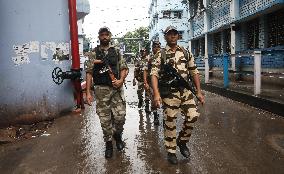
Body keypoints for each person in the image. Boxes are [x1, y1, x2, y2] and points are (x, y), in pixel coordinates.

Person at [151, 26, 205, 165]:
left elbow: (194, 72)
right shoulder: (160, 54)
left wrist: (198, 92)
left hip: (185, 91)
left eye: (175, 34)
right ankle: (171, 151)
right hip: (169, 92)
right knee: (170, 120)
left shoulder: (186, 53)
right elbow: (154, 74)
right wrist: (156, 94)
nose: (173, 36)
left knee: (193, 116)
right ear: (165, 37)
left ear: (178, 36)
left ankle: (182, 141)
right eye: (169, 34)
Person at [85, 27, 128, 159]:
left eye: (106, 34)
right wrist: (88, 92)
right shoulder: (93, 53)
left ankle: (117, 135)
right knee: (105, 119)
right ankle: (109, 143)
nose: (104, 37)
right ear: (99, 37)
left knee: (120, 116)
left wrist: (121, 80)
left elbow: (124, 68)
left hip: (116, 89)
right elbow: (89, 73)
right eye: (102, 35)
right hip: (101, 90)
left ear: (110, 36)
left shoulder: (116, 51)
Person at [143, 41, 161, 125]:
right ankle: (155, 116)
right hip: (152, 83)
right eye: (155, 46)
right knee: (154, 100)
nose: (156, 48)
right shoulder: (149, 58)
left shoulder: (163, 56)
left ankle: (166, 118)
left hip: (163, 83)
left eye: (158, 46)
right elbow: (145, 70)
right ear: (152, 48)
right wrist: (145, 82)